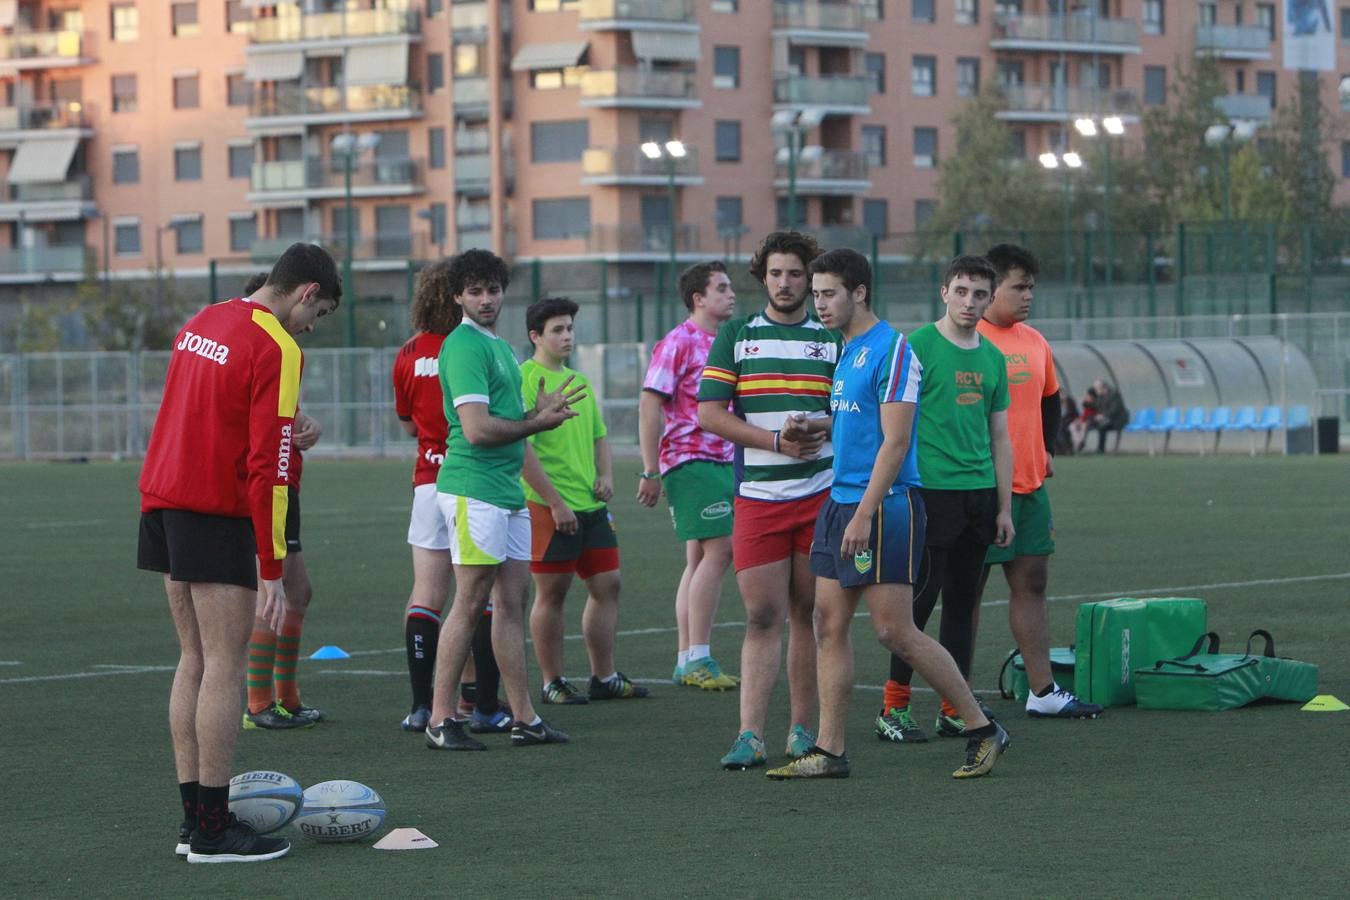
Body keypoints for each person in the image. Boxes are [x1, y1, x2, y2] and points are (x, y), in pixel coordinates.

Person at [766, 248, 1009, 781]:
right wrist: (818, 426)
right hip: (841, 500)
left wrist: (864, 514)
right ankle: (829, 751)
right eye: (816, 294)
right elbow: (862, 425)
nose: (819, 304)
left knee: (895, 632)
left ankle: (983, 728)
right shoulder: (847, 348)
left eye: (828, 294)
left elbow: (897, 443)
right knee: (828, 623)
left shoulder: (894, 349)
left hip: (885, 507)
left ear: (859, 293)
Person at [138, 242, 340, 862]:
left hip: (163, 501)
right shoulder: (277, 345)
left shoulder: (202, 320)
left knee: (193, 661)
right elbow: (269, 466)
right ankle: (214, 831)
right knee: (224, 665)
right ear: (306, 292)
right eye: (320, 314)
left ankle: (193, 821)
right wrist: (272, 565)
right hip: (215, 511)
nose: (312, 328)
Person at [424, 249, 583, 751]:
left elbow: (515, 433)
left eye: (493, 289)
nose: (486, 299)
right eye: (475, 291)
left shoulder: (496, 347)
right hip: (474, 490)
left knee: (510, 603)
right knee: (469, 602)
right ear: (457, 297)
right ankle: (440, 718)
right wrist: (538, 420)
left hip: (505, 492)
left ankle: (524, 718)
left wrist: (536, 415)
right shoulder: (465, 346)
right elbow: (475, 430)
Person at [695, 231, 832, 769]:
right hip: (758, 497)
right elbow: (710, 412)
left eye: (795, 273)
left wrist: (820, 426)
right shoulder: (737, 334)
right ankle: (750, 735)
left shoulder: (833, 336)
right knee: (761, 616)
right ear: (763, 277)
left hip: (822, 497)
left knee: (809, 615)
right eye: (776, 273)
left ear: (810, 278)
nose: (785, 283)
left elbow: (857, 410)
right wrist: (776, 441)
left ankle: (801, 730)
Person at [874, 255, 1014, 744]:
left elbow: (1000, 437)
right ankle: (894, 708)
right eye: (962, 291)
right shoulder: (916, 347)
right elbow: (891, 422)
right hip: (929, 494)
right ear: (944, 292)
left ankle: (956, 707)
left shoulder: (993, 358)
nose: (970, 302)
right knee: (917, 606)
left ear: (989, 299)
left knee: (961, 605)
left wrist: (1004, 506)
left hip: (978, 495)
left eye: (980, 294)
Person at [976, 244, 1102, 719]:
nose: (1028, 295)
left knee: (1032, 583)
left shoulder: (1034, 340)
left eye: (1031, 287)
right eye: (1019, 286)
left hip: (1029, 486)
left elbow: (1050, 397)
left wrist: (1047, 447)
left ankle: (1043, 691)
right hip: (980, 489)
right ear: (991, 289)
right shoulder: (967, 340)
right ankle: (956, 699)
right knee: (968, 590)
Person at [391, 260, 507, 737]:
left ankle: (421, 707)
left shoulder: (410, 352)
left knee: (427, 596)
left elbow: (407, 426)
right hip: (472, 478)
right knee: (481, 596)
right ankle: (478, 702)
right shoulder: (472, 347)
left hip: (428, 478)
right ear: (457, 295)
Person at [520, 297, 648, 705]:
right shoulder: (525, 379)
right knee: (552, 594)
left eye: (570, 328)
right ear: (535, 336)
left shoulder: (580, 381)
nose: (567, 336)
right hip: (548, 506)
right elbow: (522, 448)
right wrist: (555, 502)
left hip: (591, 505)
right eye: (557, 329)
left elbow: (599, 435)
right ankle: (552, 681)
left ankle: (603, 676)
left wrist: (605, 475)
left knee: (608, 585)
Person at [638, 261, 739, 691]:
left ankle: (686, 658)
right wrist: (650, 468)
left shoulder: (727, 343)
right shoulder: (679, 342)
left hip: (724, 459)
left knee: (699, 558)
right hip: (692, 458)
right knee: (720, 551)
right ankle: (700, 655)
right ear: (699, 298)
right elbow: (649, 401)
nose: (732, 294)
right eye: (722, 288)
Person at [234, 272, 325, 732]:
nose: (311, 325)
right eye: (315, 312)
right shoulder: (267, 345)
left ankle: (285, 697)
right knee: (275, 593)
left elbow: (278, 416)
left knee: (299, 592)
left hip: (287, 485)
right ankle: (258, 702)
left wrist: (306, 424)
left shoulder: (283, 354)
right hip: (268, 487)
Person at [1088, 378, 1128, 454]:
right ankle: (1080, 445)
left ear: (1102, 387)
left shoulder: (1114, 394)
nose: (1095, 390)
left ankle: (1100, 449)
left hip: (1117, 420)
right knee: (1089, 423)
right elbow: (1097, 408)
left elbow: (1115, 409)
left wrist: (1103, 416)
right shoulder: (1100, 396)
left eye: (1096, 388)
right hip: (1107, 420)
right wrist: (1088, 403)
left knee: (1102, 427)